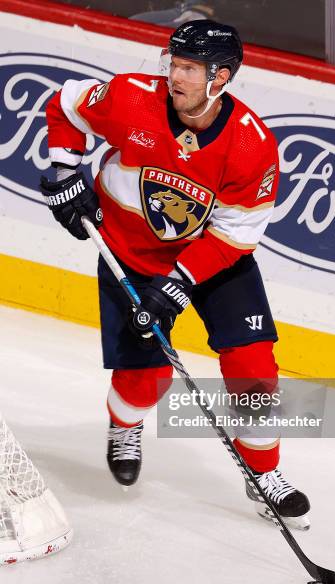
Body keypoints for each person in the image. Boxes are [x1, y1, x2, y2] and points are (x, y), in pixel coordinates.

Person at [40, 20, 310, 529]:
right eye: (173, 63)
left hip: (212, 260)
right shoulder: (129, 97)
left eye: (189, 68)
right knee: (145, 379)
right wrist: (64, 171)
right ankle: (125, 424)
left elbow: (235, 235)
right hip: (132, 256)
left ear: (221, 78)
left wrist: (182, 282)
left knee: (254, 366)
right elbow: (66, 105)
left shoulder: (252, 147)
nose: (174, 76)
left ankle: (264, 475)